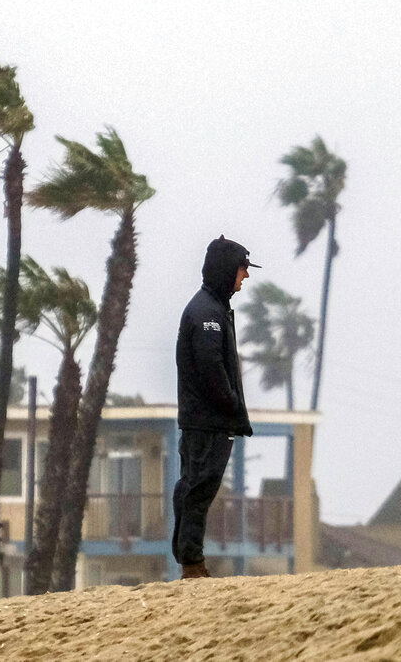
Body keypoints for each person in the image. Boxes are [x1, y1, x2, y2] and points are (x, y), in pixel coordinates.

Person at [173, 234, 260, 579]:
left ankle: (189, 560)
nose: (246, 277)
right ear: (227, 270)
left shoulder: (211, 307)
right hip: (207, 422)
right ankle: (192, 564)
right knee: (197, 490)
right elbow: (211, 367)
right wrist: (231, 403)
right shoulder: (206, 312)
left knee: (192, 488)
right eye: (242, 269)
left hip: (206, 421)